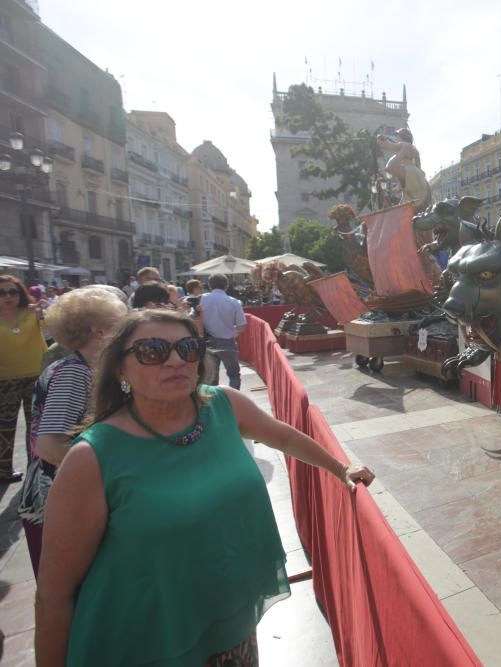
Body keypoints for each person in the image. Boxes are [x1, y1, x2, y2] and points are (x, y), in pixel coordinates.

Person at [35, 309, 374, 666]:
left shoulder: (223, 405)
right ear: (120, 369)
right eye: (152, 351)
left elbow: (283, 437)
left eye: (188, 348)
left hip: (230, 626)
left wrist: (340, 468)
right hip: (145, 643)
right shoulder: (91, 458)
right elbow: (54, 595)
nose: (175, 361)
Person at [16, 288, 128, 576]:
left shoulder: (84, 367)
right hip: (60, 501)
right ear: (99, 330)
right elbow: (50, 447)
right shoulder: (74, 373)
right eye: (122, 324)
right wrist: (118, 466)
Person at [0, 275, 47, 483]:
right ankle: (3, 470)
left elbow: (53, 331)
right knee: (5, 426)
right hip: (5, 379)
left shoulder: (32, 312)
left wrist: (43, 315)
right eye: (2, 293)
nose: (8, 297)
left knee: (36, 424)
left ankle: (36, 467)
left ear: (20, 293)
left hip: (37, 376)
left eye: (13, 292)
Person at [200, 273, 246, 390]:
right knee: (234, 374)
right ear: (226, 286)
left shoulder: (201, 299)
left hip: (207, 341)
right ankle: (234, 401)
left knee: (211, 377)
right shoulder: (234, 302)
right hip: (227, 341)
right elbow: (242, 327)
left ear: (210, 286)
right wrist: (230, 333)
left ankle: (213, 403)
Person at [376, 127, 431, 212]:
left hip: (415, 211)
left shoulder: (407, 147)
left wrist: (396, 148)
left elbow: (390, 167)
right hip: (415, 205)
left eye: (397, 136)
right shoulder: (411, 166)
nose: (396, 138)